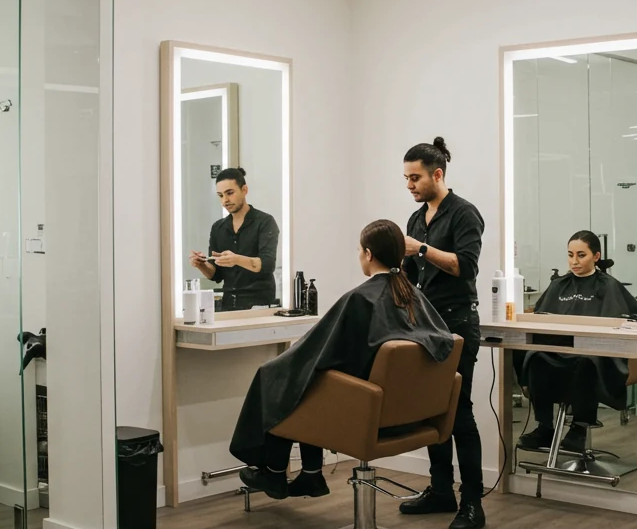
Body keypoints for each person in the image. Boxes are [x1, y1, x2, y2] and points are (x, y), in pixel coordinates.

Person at [230, 219, 454, 500]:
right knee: (313, 377)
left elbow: (318, 352)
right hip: (410, 416)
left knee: (281, 376)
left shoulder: (362, 298)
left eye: (360, 250)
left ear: (368, 254)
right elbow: (444, 344)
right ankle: (310, 474)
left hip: (367, 414)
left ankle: (274, 471)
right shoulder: (414, 297)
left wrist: (284, 367)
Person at [396, 137, 488, 529]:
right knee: (432, 410)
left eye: (415, 177)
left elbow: (465, 267)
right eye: (405, 178)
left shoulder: (464, 214)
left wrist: (421, 249)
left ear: (437, 174)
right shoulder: (417, 219)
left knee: (459, 413)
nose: (410, 185)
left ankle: (472, 502)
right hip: (426, 325)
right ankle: (440, 490)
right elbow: (414, 276)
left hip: (458, 326)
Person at [518, 231, 637, 452]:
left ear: (596, 256)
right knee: (536, 357)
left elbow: (635, 320)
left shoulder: (609, 286)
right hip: (559, 350)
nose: (574, 261)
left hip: (597, 352)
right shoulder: (559, 285)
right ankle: (545, 428)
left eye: (581, 255)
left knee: (586, 360)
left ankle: (579, 428)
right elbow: (540, 317)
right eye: (570, 255)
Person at [189, 167, 279, 311]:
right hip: (228, 304)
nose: (225, 200)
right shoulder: (218, 228)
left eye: (230, 193)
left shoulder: (265, 222)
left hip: (259, 304)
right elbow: (216, 274)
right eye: (220, 195)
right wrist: (202, 264)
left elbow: (267, 264)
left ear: (244, 190)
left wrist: (236, 259)